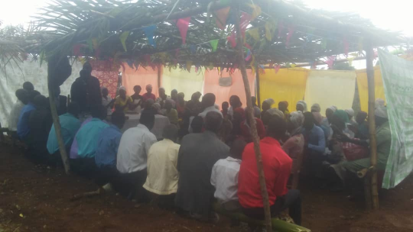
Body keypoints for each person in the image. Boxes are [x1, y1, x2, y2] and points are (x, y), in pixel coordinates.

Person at [238, 115, 301, 225]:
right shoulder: (284, 159)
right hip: (264, 210)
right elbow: (279, 192)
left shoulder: (249, 147)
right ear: (283, 134)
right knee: (296, 194)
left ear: (266, 129)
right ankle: (296, 226)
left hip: (242, 203)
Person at [175, 111, 229, 221]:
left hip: (181, 201)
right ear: (220, 127)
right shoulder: (225, 149)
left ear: (204, 124)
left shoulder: (187, 138)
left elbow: (179, 167)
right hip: (204, 207)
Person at [116, 110, 157, 201]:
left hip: (119, 172)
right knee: (157, 165)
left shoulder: (128, 131)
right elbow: (153, 159)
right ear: (152, 123)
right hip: (135, 176)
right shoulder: (149, 136)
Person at [341, 106, 390, 173]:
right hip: (375, 156)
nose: (373, 119)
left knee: (347, 165)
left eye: (374, 117)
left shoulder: (385, 131)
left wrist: (349, 140)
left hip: (380, 160)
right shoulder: (384, 127)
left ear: (380, 118)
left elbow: (368, 143)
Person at [144, 124, 180, 208]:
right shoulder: (177, 148)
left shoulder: (154, 145)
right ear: (176, 136)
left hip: (151, 186)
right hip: (169, 190)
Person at [211, 139, 246, 211]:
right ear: (244, 153)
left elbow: (213, 182)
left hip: (218, 200)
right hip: (233, 204)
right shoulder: (241, 169)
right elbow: (243, 189)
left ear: (230, 150)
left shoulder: (219, 163)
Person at [73, 105, 109, 174]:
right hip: (94, 162)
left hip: (80, 159)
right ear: (104, 114)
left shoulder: (84, 126)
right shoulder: (105, 127)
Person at [94, 110, 126, 186]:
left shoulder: (105, 130)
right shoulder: (118, 136)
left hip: (97, 166)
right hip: (109, 169)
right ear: (123, 122)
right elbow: (120, 156)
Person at [28, 95, 53, 163]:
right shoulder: (48, 114)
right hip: (43, 143)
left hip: (34, 141)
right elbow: (50, 131)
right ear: (45, 103)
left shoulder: (32, 112)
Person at [302, 112, 326, 177]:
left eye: (304, 121)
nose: (303, 123)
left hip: (314, 156)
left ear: (310, 121)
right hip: (303, 153)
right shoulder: (302, 130)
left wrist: (308, 145)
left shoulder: (319, 131)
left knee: (314, 154)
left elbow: (321, 148)